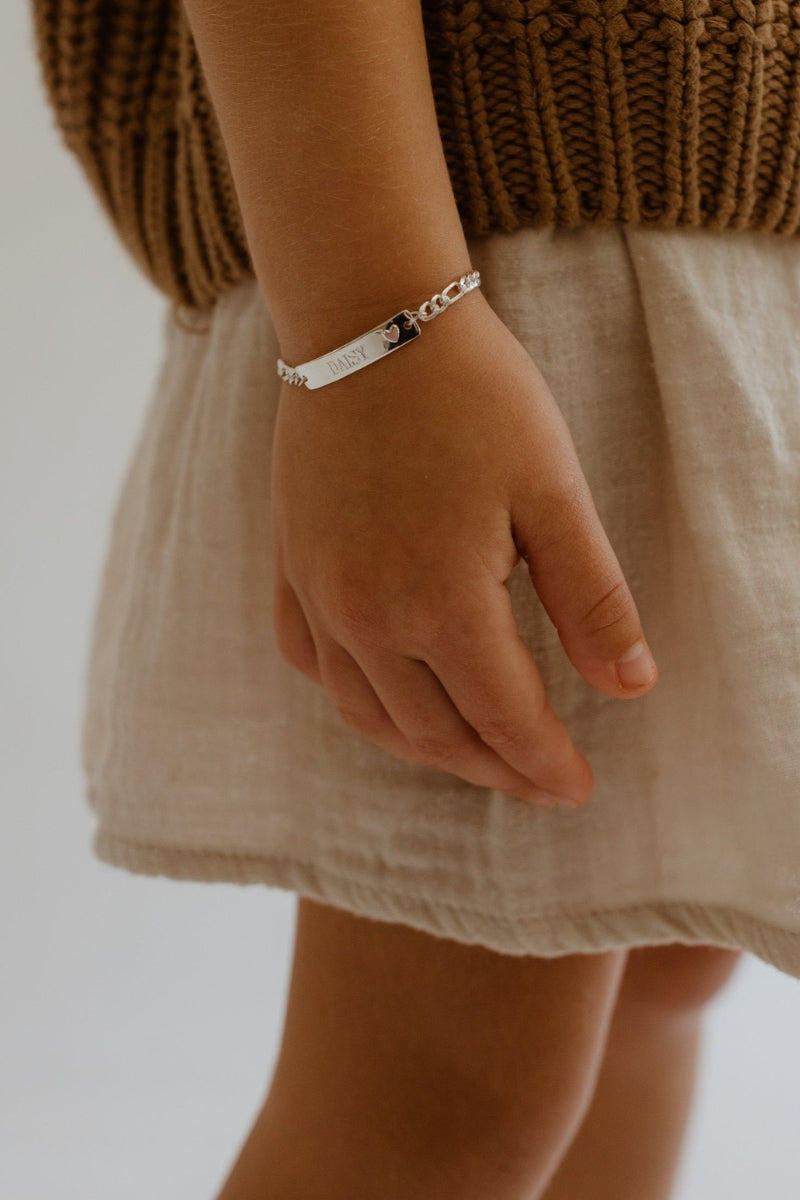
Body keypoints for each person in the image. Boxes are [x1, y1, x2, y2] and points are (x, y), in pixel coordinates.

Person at [30, 2, 800, 1196]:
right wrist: (371, 327)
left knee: (657, 965)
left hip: (729, 195)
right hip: (462, 231)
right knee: (443, 1102)